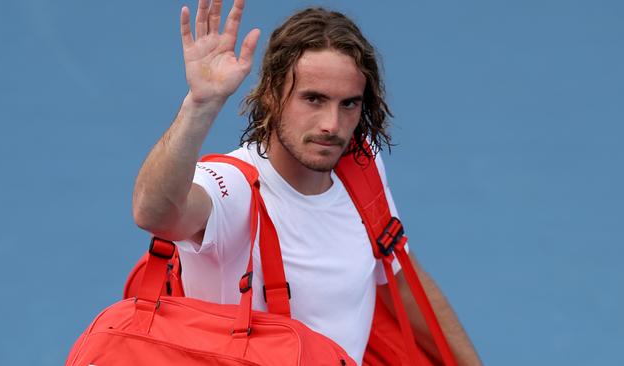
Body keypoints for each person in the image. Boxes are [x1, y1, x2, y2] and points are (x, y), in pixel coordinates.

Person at [132, 0, 481, 364]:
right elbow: (153, 213)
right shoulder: (232, 187)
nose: (332, 124)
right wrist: (200, 104)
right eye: (313, 99)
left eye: (348, 104)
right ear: (271, 94)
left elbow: (402, 281)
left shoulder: (361, 165)